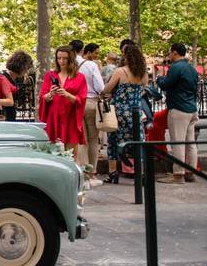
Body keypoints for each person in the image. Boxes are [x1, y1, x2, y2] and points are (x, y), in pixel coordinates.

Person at [99, 42, 148, 184]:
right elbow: (144, 87)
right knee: (138, 140)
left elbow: (107, 89)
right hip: (136, 111)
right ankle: (142, 173)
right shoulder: (142, 73)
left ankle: (113, 173)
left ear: (126, 57)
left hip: (119, 111)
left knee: (114, 141)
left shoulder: (120, 71)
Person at [156, 42, 200, 184]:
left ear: (175, 52)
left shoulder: (176, 68)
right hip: (192, 109)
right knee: (191, 143)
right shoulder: (191, 68)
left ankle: (178, 174)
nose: (169, 55)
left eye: (170, 52)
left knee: (178, 143)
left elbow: (165, 84)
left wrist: (159, 78)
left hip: (179, 108)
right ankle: (190, 172)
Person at [38, 46, 88, 157]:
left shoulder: (80, 77)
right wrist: (50, 94)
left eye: (65, 58)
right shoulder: (50, 75)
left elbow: (81, 99)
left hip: (71, 118)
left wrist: (67, 94)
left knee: (71, 155)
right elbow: (43, 97)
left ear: (71, 59)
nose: (61, 61)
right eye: (59, 58)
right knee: (53, 153)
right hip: (53, 117)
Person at [75, 42, 105, 184]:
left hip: (76, 102)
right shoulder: (91, 65)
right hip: (91, 102)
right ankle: (91, 172)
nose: (97, 56)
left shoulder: (70, 64)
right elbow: (100, 86)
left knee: (81, 139)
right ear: (84, 51)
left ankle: (82, 170)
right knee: (93, 139)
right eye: (96, 53)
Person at [1, 51, 33, 121]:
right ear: (22, 66)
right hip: (3, 117)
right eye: (27, 68)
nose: (27, 71)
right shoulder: (3, 78)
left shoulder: (15, 79)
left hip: (10, 116)